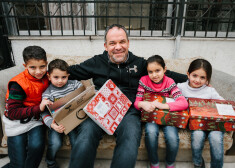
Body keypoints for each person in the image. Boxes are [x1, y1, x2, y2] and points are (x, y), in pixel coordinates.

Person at [68, 24, 188, 168]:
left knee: (130, 140)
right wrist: (45, 76)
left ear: (128, 43)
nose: (118, 47)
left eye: (122, 42)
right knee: (85, 137)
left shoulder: (140, 63)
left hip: (129, 112)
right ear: (106, 46)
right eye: (112, 43)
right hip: (100, 109)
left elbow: (167, 74)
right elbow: (69, 72)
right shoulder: (96, 62)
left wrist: (194, 81)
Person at [134, 55, 188, 168]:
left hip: (168, 117)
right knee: (151, 133)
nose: (154, 75)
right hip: (151, 116)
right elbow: (137, 102)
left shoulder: (169, 82)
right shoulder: (144, 81)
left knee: (172, 137)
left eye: (158, 70)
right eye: (150, 72)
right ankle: (154, 163)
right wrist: (142, 104)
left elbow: (183, 103)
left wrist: (162, 105)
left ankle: (170, 163)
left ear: (164, 69)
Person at [2, 46, 50, 168]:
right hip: (16, 123)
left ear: (46, 64)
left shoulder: (48, 76)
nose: (38, 71)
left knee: (37, 145)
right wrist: (39, 108)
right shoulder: (17, 84)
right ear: (25, 66)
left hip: (35, 121)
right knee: (18, 164)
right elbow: (13, 112)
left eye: (42, 67)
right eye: (33, 67)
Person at [177, 59, 224, 168]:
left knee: (216, 138)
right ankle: (198, 163)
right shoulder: (180, 87)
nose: (197, 80)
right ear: (188, 74)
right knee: (197, 136)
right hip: (196, 125)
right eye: (195, 76)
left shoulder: (210, 91)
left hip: (213, 124)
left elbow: (223, 104)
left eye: (202, 77)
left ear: (207, 79)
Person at [41, 59, 83, 168]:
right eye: (56, 77)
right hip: (57, 123)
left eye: (63, 77)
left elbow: (84, 92)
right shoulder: (48, 93)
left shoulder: (73, 85)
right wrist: (52, 125)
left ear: (68, 76)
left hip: (72, 121)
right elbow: (44, 113)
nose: (60, 81)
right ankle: (50, 162)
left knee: (76, 142)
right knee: (55, 144)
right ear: (49, 76)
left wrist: (82, 92)